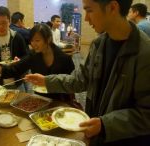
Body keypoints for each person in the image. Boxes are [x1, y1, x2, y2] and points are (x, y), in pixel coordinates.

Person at [25, 0, 150, 146]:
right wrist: (46, 81)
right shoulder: (99, 44)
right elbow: (80, 79)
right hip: (96, 135)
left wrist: (105, 125)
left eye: (89, 10)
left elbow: (146, 114)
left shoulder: (144, 53)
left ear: (112, 7)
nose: (85, 18)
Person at [0, 23, 75, 104]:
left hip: (60, 100)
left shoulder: (64, 58)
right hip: (41, 99)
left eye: (37, 40)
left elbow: (71, 82)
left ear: (48, 39)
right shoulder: (33, 55)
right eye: (32, 41)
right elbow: (16, 69)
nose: (33, 44)